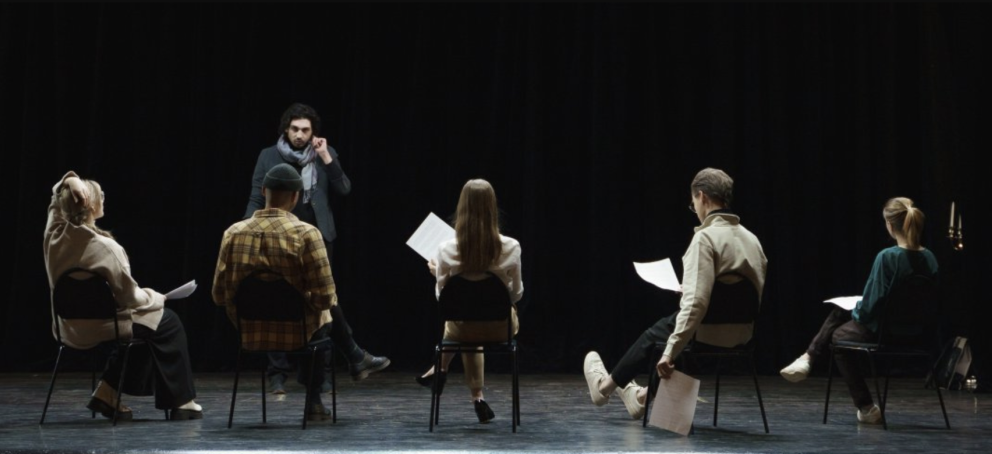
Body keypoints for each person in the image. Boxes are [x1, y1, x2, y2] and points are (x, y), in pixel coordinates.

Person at [582, 168, 768, 420]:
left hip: (706, 333)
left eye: (694, 203)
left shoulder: (705, 239)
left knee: (661, 333)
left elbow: (695, 305)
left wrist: (669, 352)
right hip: (742, 336)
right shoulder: (752, 240)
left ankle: (603, 388)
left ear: (702, 197)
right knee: (676, 328)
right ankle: (641, 398)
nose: (696, 209)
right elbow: (747, 293)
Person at [244, 102, 388, 393]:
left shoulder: (324, 154)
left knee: (320, 299)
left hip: (318, 238)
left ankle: (319, 370)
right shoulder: (269, 156)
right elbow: (256, 197)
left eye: (305, 130)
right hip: (278, 236)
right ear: (286, 129)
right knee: (278, 295)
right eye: (295, 129)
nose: (299, 135)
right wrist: (248, 227)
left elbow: (344, 189)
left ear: (313, 133)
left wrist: (325, 157)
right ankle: (279, 373)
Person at [214, 164, 376, 420]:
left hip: (250, 332)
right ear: (295, 196)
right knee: (325, 312)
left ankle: (354, 359)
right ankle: (314, 401)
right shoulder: (307, 234)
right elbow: (324, 297)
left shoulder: (232, 233)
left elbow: (219, 295)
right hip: (299, 333)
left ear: (263, 190)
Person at [43, 171, 203, 421]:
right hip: (103, 327)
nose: (104, 198)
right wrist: (157, 297)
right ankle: (182, 401)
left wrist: (68, 180)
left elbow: (55, 201)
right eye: (101, 195)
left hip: (66, 328)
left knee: (146, 325)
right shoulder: (107, 248)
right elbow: (132, 299)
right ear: (90, 204)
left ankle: (107, 393)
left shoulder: (53, 237)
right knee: (166, 321)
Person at [779, 197, 938, 424]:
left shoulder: (887, 257)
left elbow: (869, 310)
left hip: (885, 332)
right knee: (841, 312)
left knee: (839, 335)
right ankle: (807, 358)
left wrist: (855, 309)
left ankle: (865, 406)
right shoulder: (930, 258)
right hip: (917, 332)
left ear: (890, 226)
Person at [415, 179, 524, 424]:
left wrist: (436, 273)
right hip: (501, 328)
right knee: (473, 319)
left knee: (462, 323)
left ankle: (440, 369)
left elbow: (442, 300)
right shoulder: (511, 247)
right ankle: (477, 396)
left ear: (462, 208)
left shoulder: (445, 250)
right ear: (492, 208)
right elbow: (517, 295)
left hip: (460, 328)